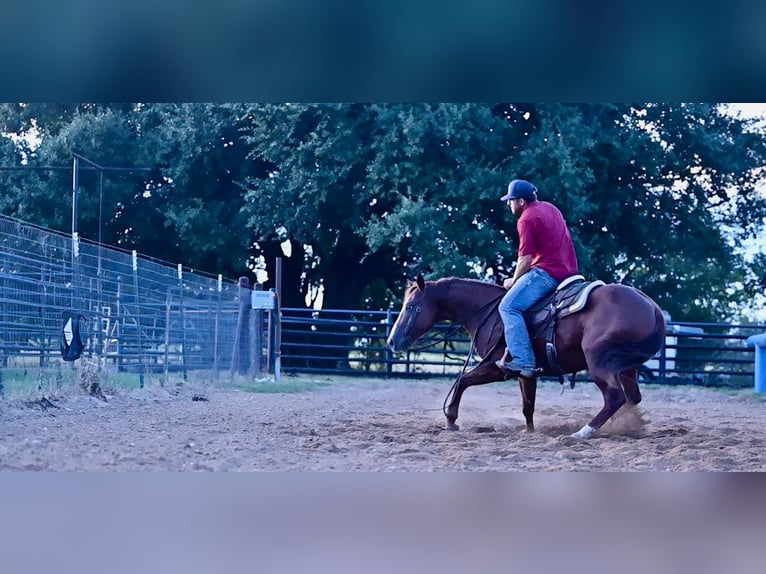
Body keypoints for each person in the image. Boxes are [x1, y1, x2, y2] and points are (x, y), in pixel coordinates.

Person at [495, 179, 579, 378]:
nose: (509, 204)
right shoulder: (551, 208)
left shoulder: (526, 219)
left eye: (511, 200)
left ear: (521, 202)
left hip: (547, 273)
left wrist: (513, 281)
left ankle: (524, 360)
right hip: (571, 272)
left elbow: (525, 260)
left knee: (508, 307)